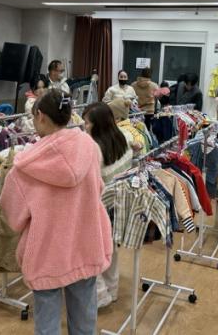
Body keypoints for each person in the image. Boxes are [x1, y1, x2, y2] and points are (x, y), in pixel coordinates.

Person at [0, 89, 112, 334]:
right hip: (86, 243)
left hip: (46, 252)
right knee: (85, 321)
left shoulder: (25, 166)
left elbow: (13, 217)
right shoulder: (89, 147)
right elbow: (98, 189)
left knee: (47, 325)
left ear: (40, 115)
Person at [82, 102, 132, 309]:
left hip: (100, 209)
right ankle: (112, 288)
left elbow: (91, 183)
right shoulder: (123, 139)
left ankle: (100, 294)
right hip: (119, 206)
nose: (84, 127)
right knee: (110, 250)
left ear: (98, 125)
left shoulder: (95, 149)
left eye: (87, 123)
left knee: (92, 253)